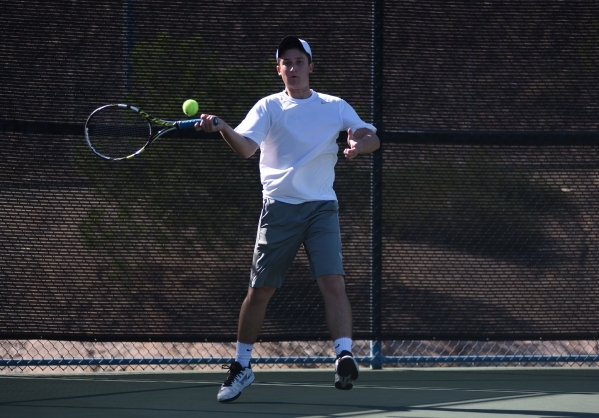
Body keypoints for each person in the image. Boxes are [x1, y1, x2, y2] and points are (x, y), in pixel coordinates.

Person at [195, 36, 380, 403]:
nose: (293, 68)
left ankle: (344, 354)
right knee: (260, 291)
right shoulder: (268, 107)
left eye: (299, 61)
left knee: (333, 283)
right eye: (287, 63)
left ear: (311, 67)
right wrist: (223, 129)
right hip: (279, 208)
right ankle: (242, 366)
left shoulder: (334, 105)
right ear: (278, 69)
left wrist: (360, 145)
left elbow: (370, 135)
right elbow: (247, 148)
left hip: (322, 208)